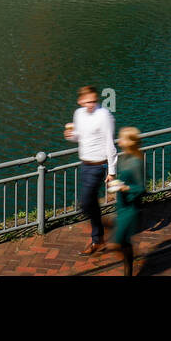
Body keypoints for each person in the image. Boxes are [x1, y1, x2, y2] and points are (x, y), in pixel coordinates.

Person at [64, 85, 116, 256]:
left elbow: (110, 143)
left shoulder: (104, 116)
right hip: (85, 163)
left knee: (86, 203)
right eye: (87, 101)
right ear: (80, 101)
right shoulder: (78, 114)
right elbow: (79, 136)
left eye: (94, 101)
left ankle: (102, 232)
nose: (91, 104)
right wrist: (71, 135)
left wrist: (112, 171)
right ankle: (98, 238)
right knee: (90, 202)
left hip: (99, 165)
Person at [108, 127, 147, 276]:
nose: (120, 141)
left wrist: (125, 188)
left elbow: (141, 188)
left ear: (130, 142)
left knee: (116, 241)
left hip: (131, 207)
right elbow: (123, 179)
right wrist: (115, 182)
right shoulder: (123, 158)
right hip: (121, 204)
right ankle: (128, 271)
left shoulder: (137, 162)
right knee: (124, 241)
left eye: (123, 138)